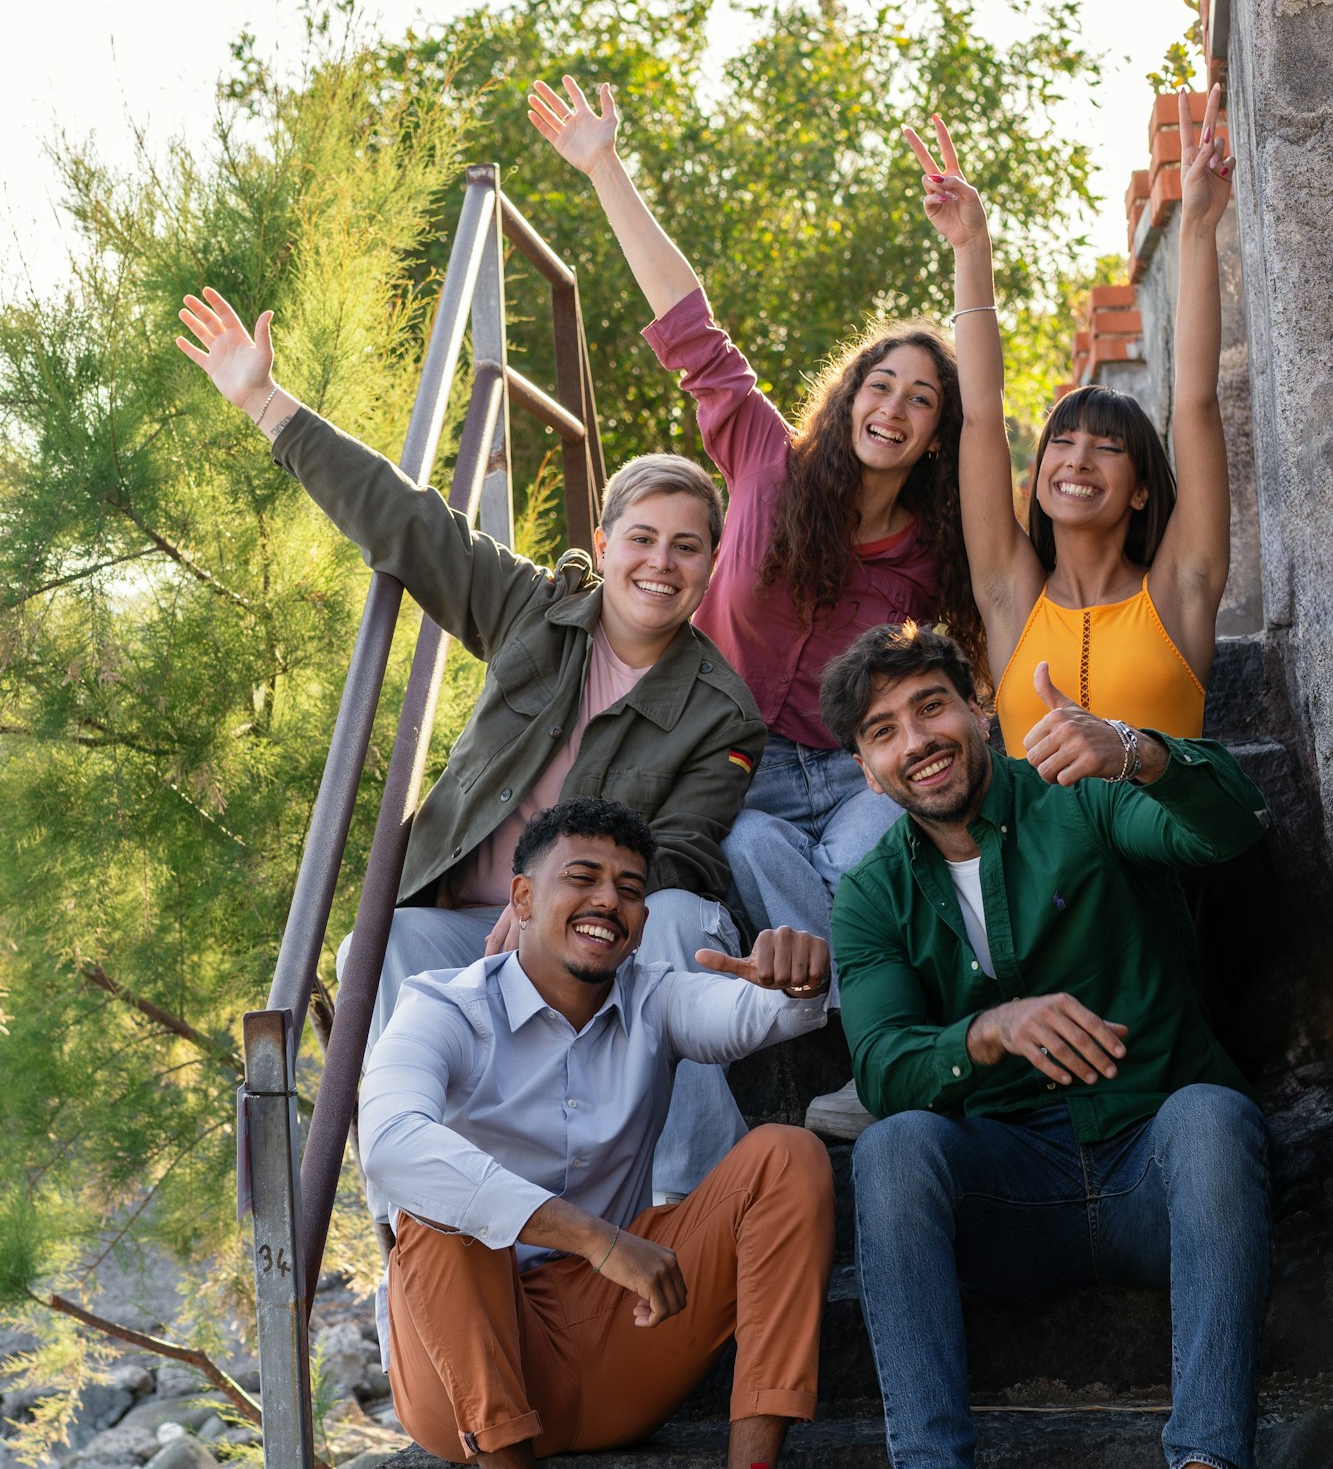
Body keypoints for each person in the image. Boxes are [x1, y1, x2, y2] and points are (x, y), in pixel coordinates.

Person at [175, 287, 767, 1198]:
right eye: (641, 538)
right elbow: (410, 523)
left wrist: (557, 912)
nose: (661, 563)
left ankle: (686, 1205)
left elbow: (683, 853)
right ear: (602, 545)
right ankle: (421, 1220)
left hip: (596, 934)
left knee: (684, 922)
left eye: (687, 548)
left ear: (710, 566)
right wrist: (265, 403)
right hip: (470, 920)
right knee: (388, 948)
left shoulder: (720, 710)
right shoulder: (533, 612)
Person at [529, 74, 987, 1139]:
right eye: (882, 383)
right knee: (749, 853)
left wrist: (970, 253)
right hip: (739, 764)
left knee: (881, 842)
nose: (896, 405)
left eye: (923, 398)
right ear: (850, 395)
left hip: (856, 768)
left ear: (934, 435)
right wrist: (605, 167)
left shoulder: (931, 556)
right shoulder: (764, 462)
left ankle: (870, 1040)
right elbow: (690, 327)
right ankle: (882, 1023)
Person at [821, 622, 1270, 1469]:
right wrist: (982, 1031)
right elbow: (886, 1063)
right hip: (1011, 1191)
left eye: (931, 706)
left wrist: (1140, 752)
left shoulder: (1079, 791)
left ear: (978, 709)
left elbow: (1230, 826)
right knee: (892, 1146)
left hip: (1157, 1161)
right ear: (865, 765)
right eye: (885, 730)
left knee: (1211, 1115)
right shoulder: (872, 891)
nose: (917, 740)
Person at [358, 797, 839, 1469]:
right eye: (580, 878)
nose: (607, 901)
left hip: (615, 1351)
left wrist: (799, 983)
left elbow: (750, 1016)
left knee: (789, 1155)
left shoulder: (653, 999)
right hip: (463, 1370)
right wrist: (594, 1237)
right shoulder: (443, 1007)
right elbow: (389, 1142)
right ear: (521, 898)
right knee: (439, 1209)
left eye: (628, 888)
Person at [904, 91, 1236, 768]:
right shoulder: (1009, 593)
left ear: (1141, 490)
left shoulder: (1180, 587)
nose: (1077, 459)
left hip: (1156, 863)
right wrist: (971, 246)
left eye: (1108, 448)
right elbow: (981, 415)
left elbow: (1195, 404)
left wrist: (1198, 228)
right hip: (1042, 873)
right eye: (1061, 440)